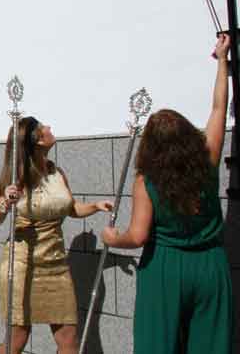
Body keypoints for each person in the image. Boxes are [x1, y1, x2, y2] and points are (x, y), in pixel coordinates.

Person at [102, 34, 234, 354]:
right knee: (211, 346)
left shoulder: (147, 181)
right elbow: (219, 108)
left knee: (157, 345)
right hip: (210, 264)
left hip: (165, 266)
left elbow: (137, 236)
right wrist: (222, 61)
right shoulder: (207, 159)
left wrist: (112, 237)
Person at [0, 117, 113, 354]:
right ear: (37, 140)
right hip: (23, 264)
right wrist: (6, 202)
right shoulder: (16, 177)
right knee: (17, 338)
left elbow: (71, 208)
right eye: (44, 127)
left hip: (56, 265)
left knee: (69, 339)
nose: (50, 128)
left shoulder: (56, 172)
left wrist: (96, 206)